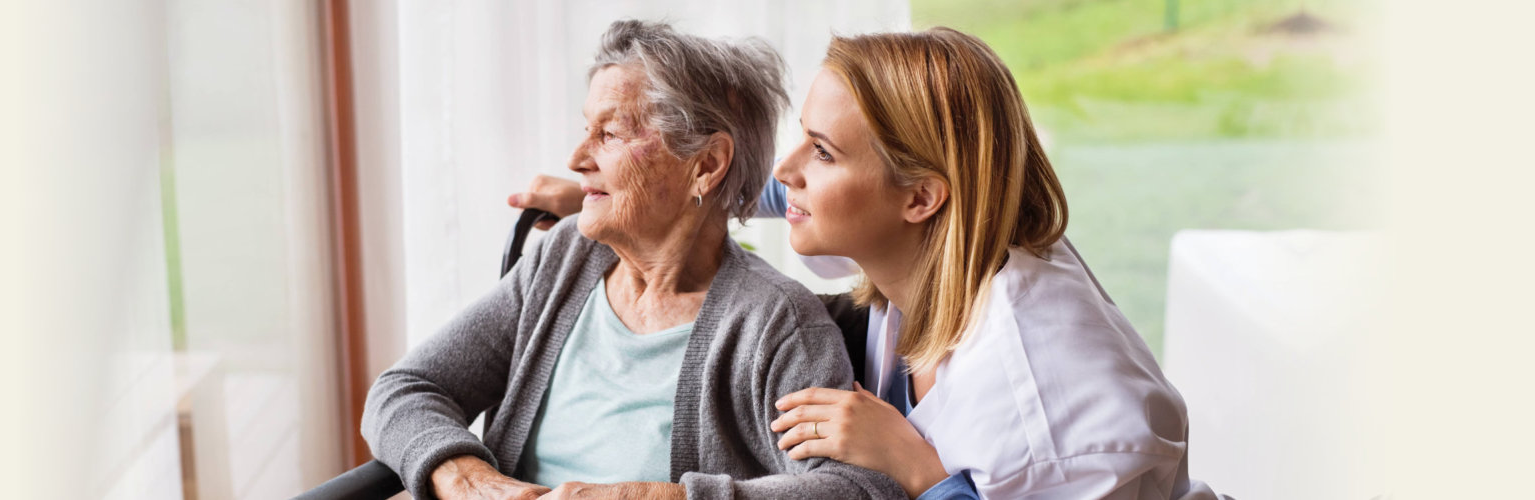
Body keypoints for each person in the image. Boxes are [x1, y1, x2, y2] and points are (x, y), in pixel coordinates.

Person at [511, 27, 1223, 500]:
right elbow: (788, 183)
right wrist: (642, 192)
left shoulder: (1044, 405)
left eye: (821, 151)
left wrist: (919, 468)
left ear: (920, 197)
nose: (789, 169)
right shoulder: (954, 236)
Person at [361, 20, 905, 500]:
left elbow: (860, 488)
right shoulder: (565, 260)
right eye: (585, 129)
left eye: (611, 134)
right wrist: (465, 479)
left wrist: (661, 499)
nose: (577, 159)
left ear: (707, 164)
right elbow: (406, 388)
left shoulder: (773, 324)